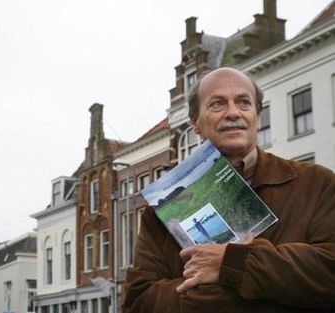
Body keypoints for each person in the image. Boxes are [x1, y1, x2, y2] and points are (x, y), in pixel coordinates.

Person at [122, 67, 335, 312]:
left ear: (258, 117)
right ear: (195, 123)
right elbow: (138, 303)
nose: (233, 112)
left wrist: (233, 264)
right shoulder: (159, 212)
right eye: (217, 104)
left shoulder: (317, 184)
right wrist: (231, 282)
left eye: (244, 103)